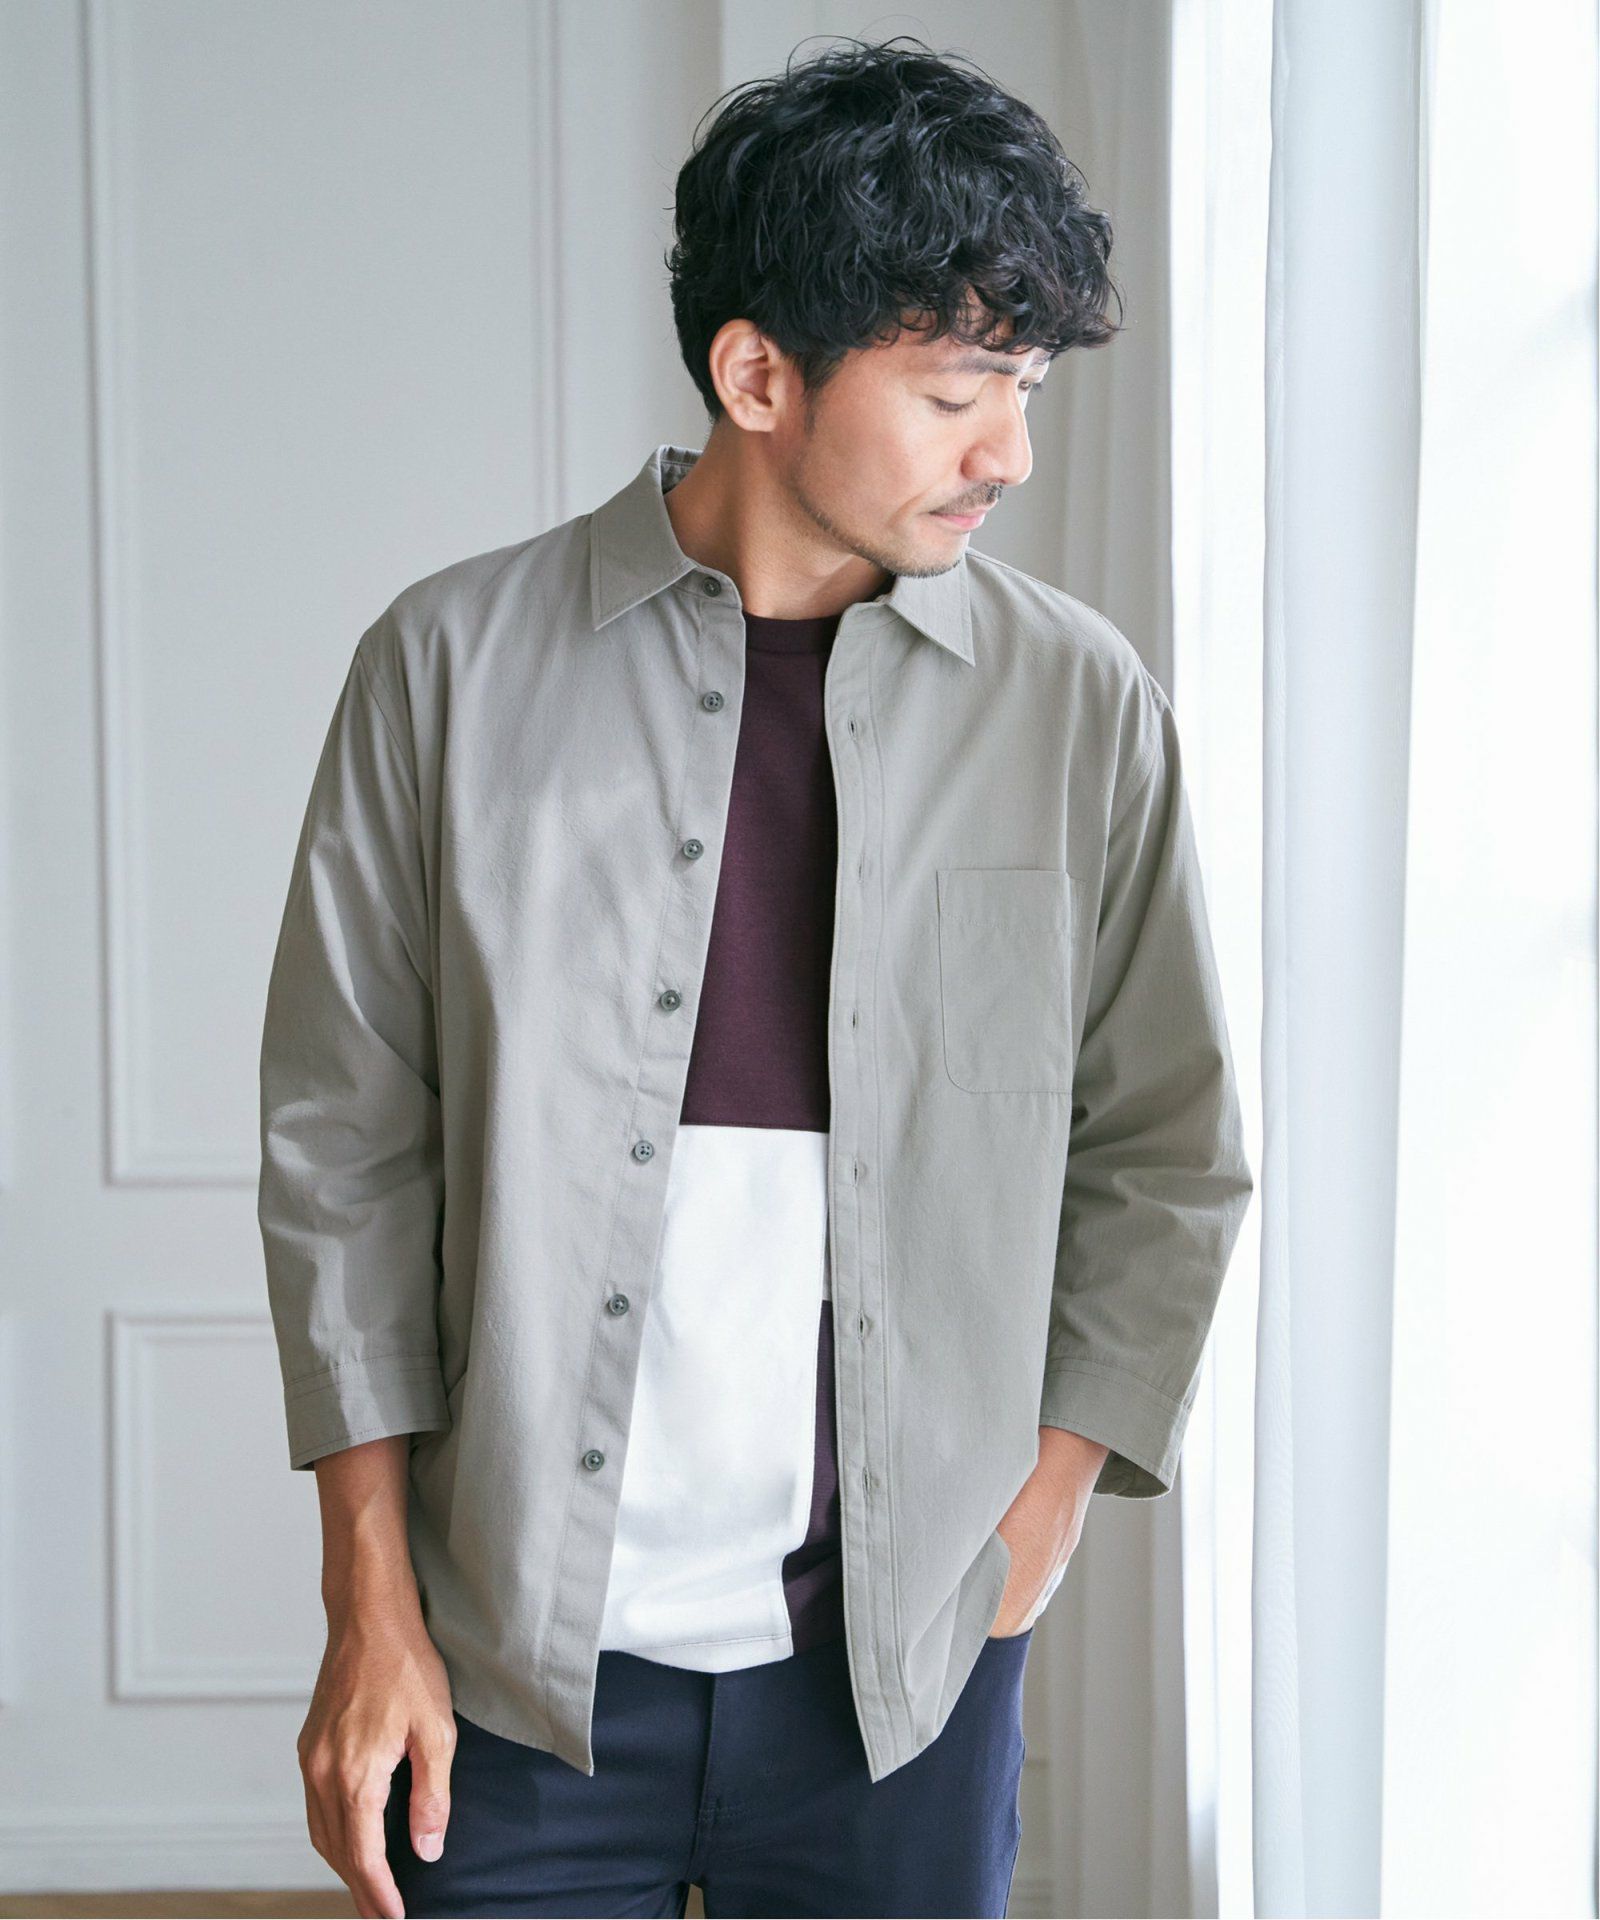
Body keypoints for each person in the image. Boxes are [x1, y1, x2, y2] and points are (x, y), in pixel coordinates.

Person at [257, 34, 1254, 1920]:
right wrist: (366, 1602)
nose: (1009, 452)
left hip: (904, 1675)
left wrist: (1040, 1511)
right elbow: (345, 1159)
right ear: (758, 377)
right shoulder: (447, 670)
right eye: (958, 389)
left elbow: (1168, 1148)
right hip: (512, 1675)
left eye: (1026, 389)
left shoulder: (1079, 707)